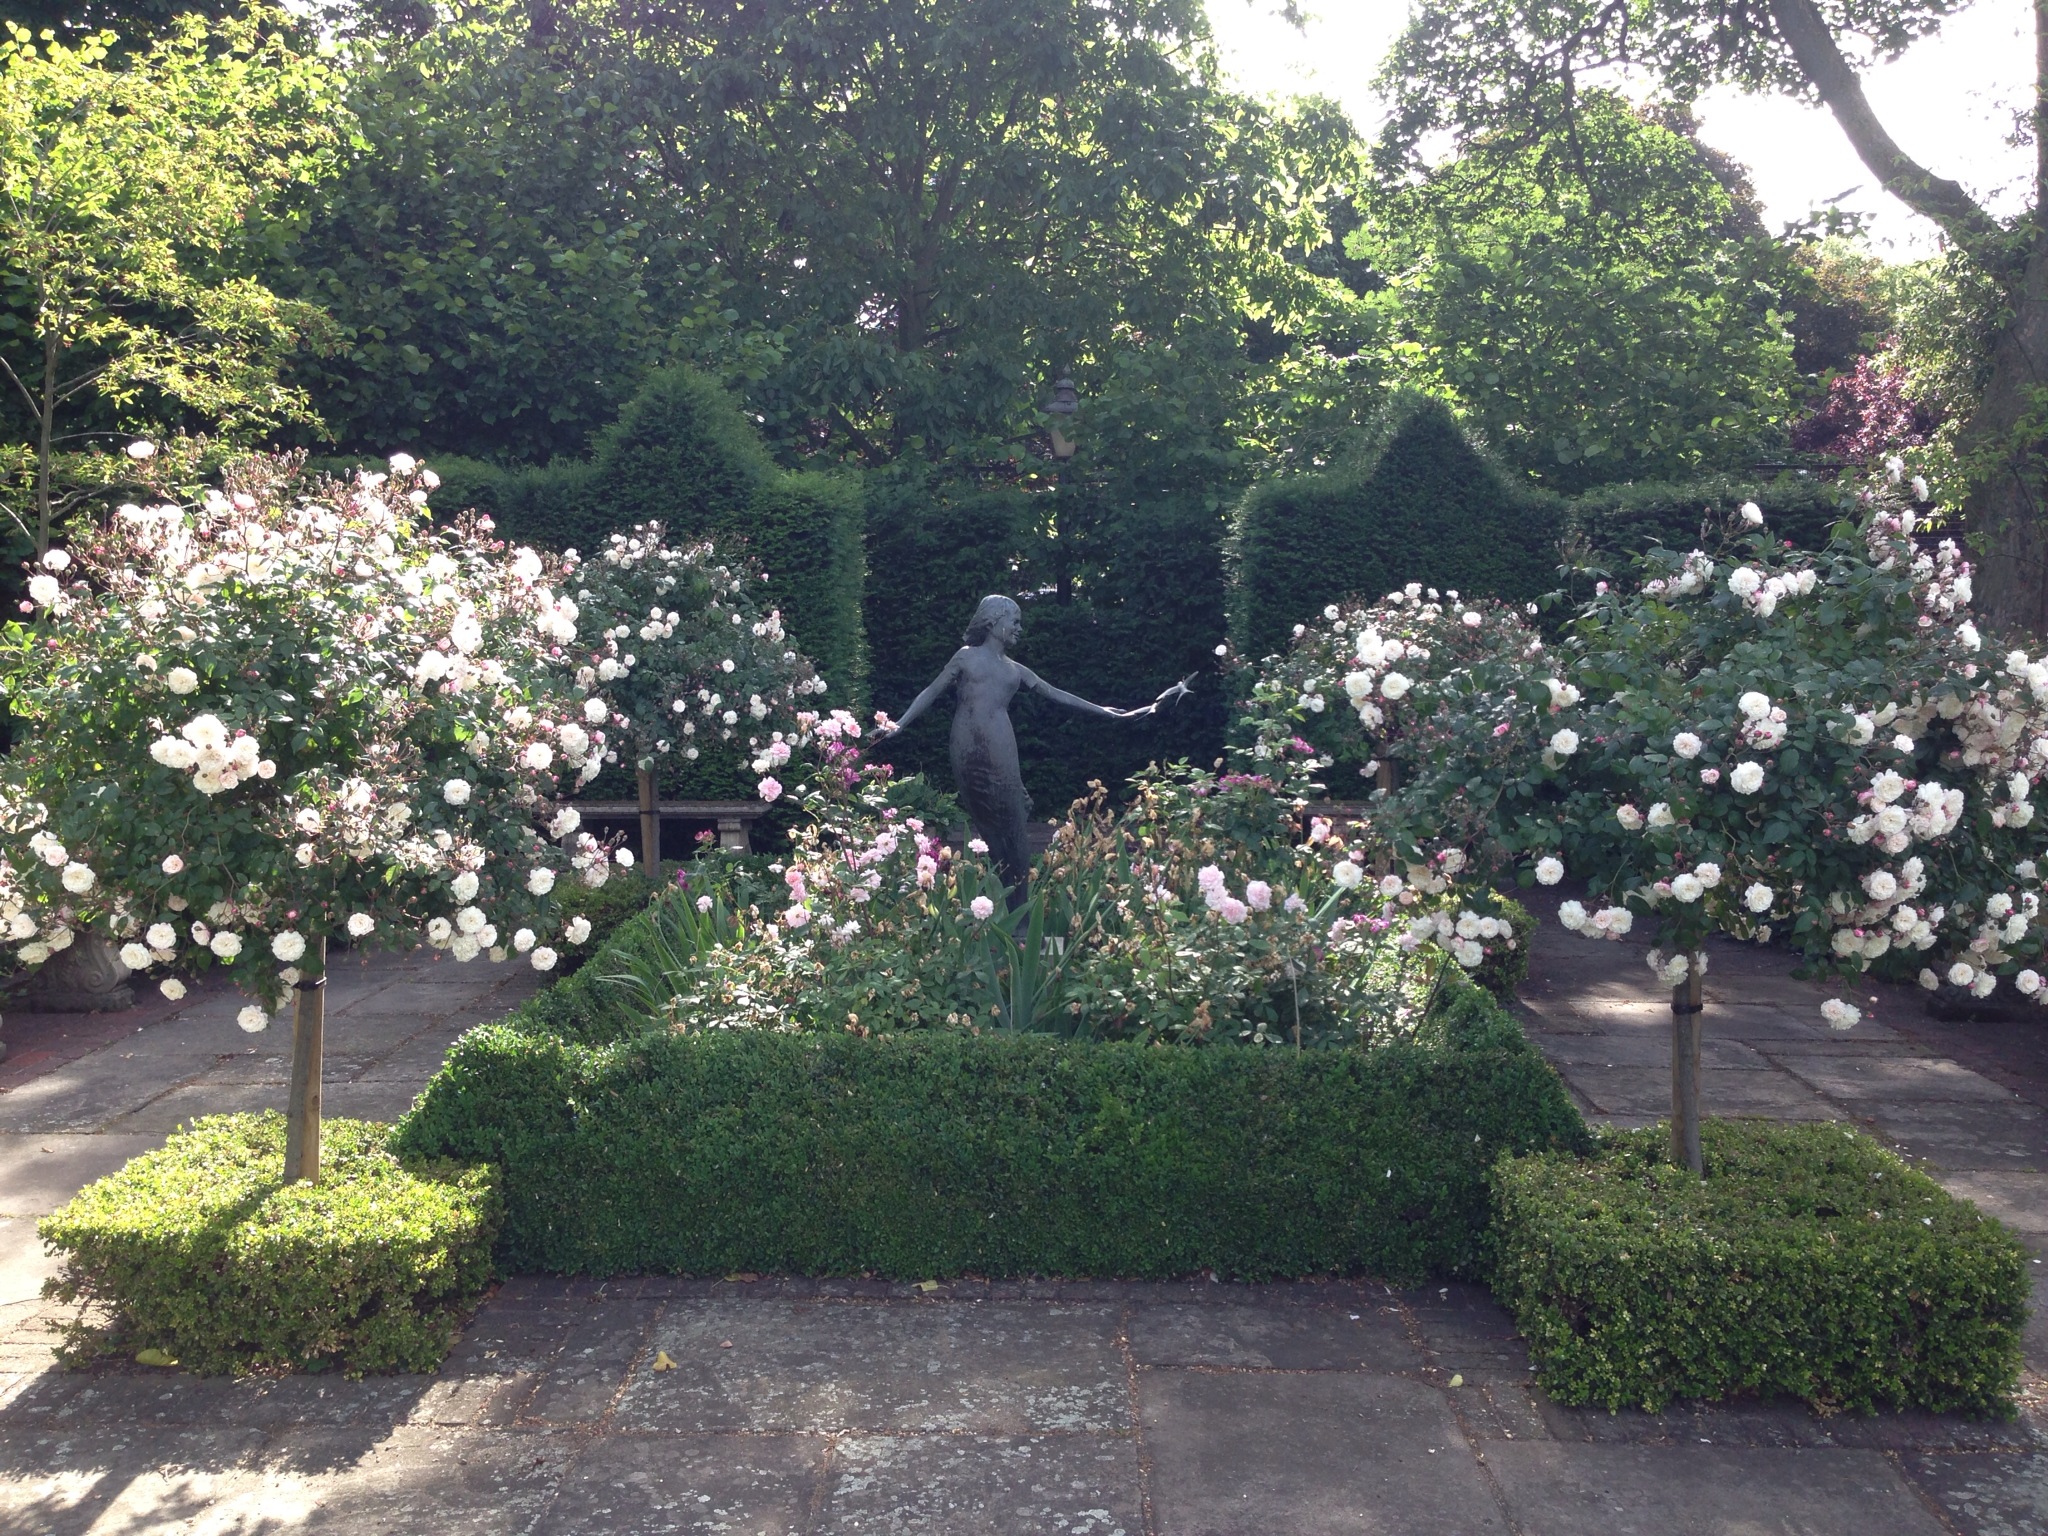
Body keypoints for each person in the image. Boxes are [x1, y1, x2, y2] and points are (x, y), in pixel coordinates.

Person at [869, 594, 1189, 900]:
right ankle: (1005, 899)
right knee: (987, 824)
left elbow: (1059, 695)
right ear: (994, 622)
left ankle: (1019, 907)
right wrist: (898, 724)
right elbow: (930, 691)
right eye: (1015, 620)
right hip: (965, 746)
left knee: (1014, 823)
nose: (1020, 628)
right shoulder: (965, 657)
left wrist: (1112, 713)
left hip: (1001, 745)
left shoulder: (1015, 670)